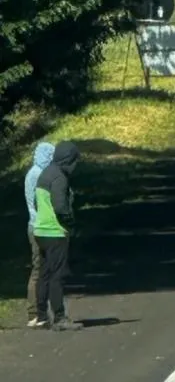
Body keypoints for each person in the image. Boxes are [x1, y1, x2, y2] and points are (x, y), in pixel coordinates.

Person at [34, 141, 83, 331]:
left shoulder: (45, 174)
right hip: (55, 232)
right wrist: (70, 223)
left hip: (40, 230)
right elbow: (60, 206)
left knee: (44, 274)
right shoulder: (59, 177)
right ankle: (60, 317)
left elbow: (39, 203)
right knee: (57, 275)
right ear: (68, 159)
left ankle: (41, 316)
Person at [24, 142, 55, 327]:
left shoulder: (33, 173)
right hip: (39, 226)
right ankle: (35, 312)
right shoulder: (37, 175)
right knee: (39, 270)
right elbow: (39, 202)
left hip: (34, 225)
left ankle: (38, 311)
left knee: (41, 269)